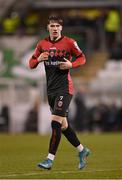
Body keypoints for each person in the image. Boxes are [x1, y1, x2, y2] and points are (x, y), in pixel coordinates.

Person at [29, 15, 90, 170]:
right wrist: (39, 59)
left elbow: (82, 58)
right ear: (48, 28)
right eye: (52, 26)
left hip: (65, 88)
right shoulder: (42, 44)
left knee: (55, 123)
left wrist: (71, 64)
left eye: (57, 26)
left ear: (61, 28)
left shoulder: (69, 42)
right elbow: (31, 63)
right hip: (50, 90)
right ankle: (82, 150)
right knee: (63, 126)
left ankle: (49, 160)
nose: (55, 28)